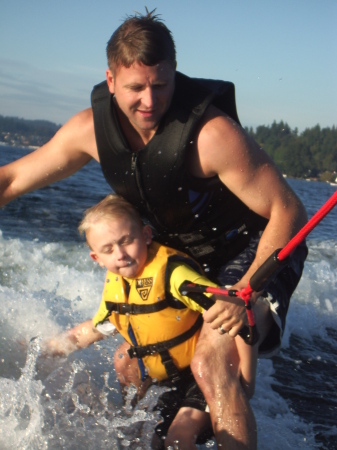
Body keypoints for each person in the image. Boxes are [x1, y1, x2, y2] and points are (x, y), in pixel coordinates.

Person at [0, 9, 308, 450]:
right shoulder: (88, 130)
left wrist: (245, 291)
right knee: (130, 359)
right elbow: (10, 180)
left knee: (211, 361)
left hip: (257, 249)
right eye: (135, 88)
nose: (149, 100)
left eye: (161, 85)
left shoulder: (211, 135)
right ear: (110, 81)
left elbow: (288, 210)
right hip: (188, 257)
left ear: (174, 77)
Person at [44, 193, 220, 449]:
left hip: (200, 376)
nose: (120, 254)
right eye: (108, 249)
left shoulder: (172, 273)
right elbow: (92, 330)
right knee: (144, 436)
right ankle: (133, 415)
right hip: (166, 383)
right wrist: (47, 349)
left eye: (127, 241)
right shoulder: (117, 289)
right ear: (97, 259)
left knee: (179, 439)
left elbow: (223, 308)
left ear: (146, 236)